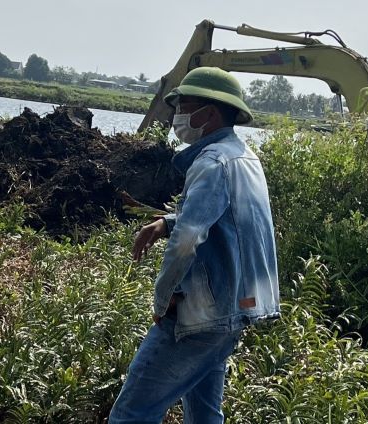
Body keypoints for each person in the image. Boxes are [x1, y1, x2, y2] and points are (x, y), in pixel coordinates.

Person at [109, 67, 280, 424]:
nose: (177, 116)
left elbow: (188, 242)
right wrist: (166, 222)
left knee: (131, 414)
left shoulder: (211, 162)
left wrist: (162, 298)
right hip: (235, 310)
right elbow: (231, 219)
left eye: (184, 106)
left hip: (201, 314)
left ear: (211, 112)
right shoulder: (244, 157)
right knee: (204, 415)